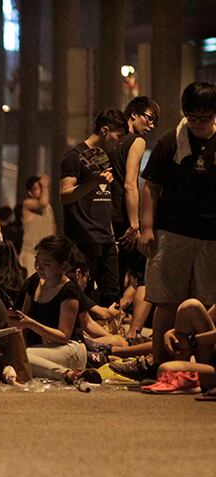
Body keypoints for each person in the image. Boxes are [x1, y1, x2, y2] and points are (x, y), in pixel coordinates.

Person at [138, 81, 216, 371]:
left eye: (204, 118)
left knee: (209, 303)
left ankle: (205, 367)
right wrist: (147, 228)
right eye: (192, 117)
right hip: (173, 231)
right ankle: (161, 363)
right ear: (185, 112)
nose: (197, 124)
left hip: (211, 237)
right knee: (166, 301)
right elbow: (151, 187)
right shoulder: (171, 142)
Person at [60, 109, 127, 306]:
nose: (119, 141)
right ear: (105, 130)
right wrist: (93, 181)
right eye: (118, 136)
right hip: (84, 237)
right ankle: (80, 333)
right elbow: (65, 195)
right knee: (83, 293)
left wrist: (112, 234)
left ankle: (110, 334)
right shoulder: (74, 156)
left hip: (106, 237)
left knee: (112, 293)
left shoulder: (106, 157)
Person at [112, 96, 159, 336]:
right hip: (123, 216)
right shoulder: (136, 141)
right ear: (133, 115)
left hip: (105, 216)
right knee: (146, 274)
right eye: (149, 118)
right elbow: (131, 184)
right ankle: (133, 333)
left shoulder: (113, 140)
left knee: (115, 275)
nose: (151, 126)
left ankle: (112, 327)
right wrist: (134, 224)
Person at [9, 235, 87, 381]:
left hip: (70, 349)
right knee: (14, 355)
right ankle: (66, 374)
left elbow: (64, 336)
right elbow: (22, 321)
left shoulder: (69, 290)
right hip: (43, 349)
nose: (39, 267)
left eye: (46, 263)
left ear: (63, 266)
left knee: (23, 357)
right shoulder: (34, 282)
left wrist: (30, 323)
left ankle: (68, 375)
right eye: (37, 261)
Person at [18, 175, 55, 277]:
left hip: (46, 254)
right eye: (36, 188)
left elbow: (53, 228)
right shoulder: (27, 203)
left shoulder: (49, 208)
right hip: (31, 254)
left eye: (40, 187)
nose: (40, 190)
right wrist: (44, 185)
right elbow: (43, 203)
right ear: (30, 193)